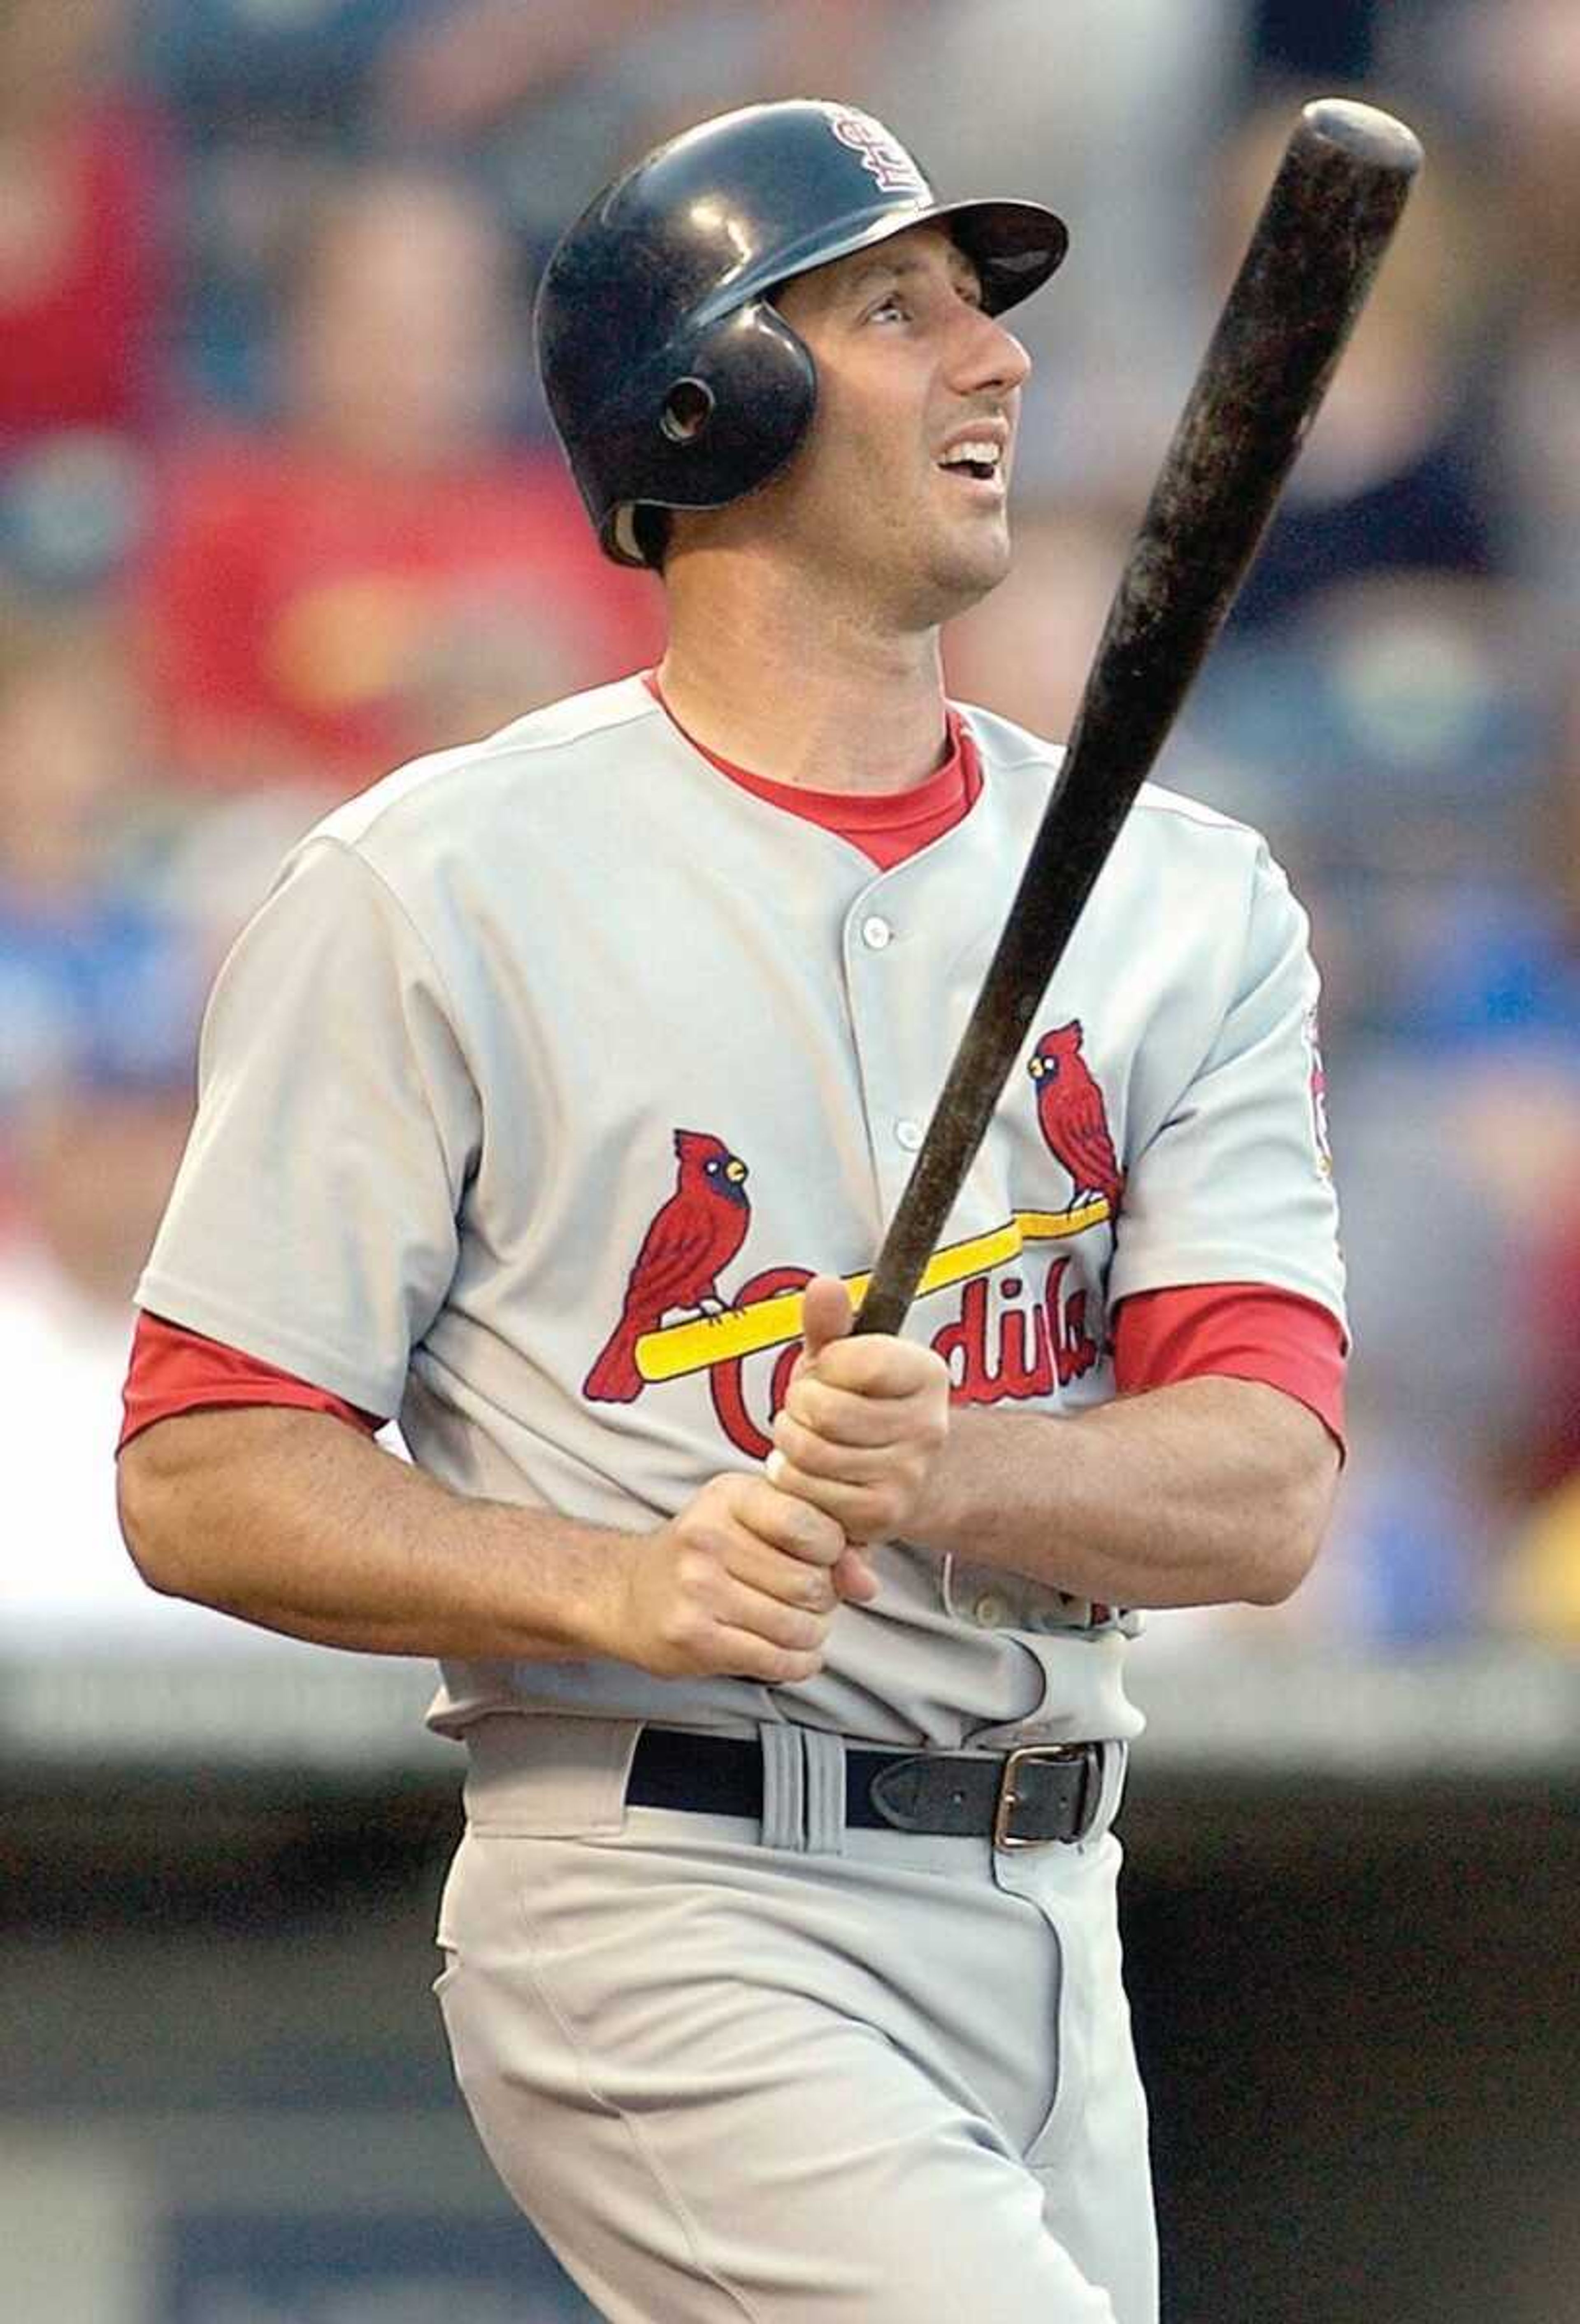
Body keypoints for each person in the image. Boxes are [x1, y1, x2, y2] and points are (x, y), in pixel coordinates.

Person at [116, 101, 1348, 2324]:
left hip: (1059, 1912)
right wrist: (619, 1581)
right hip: (672, 1891)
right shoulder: (435, 887)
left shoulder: (1188, 902)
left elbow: (1267, 1490)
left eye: (985, 310)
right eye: (901, 310)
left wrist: (959, 1464)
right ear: (718, 394)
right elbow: (207, 1473)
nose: (998, 363)